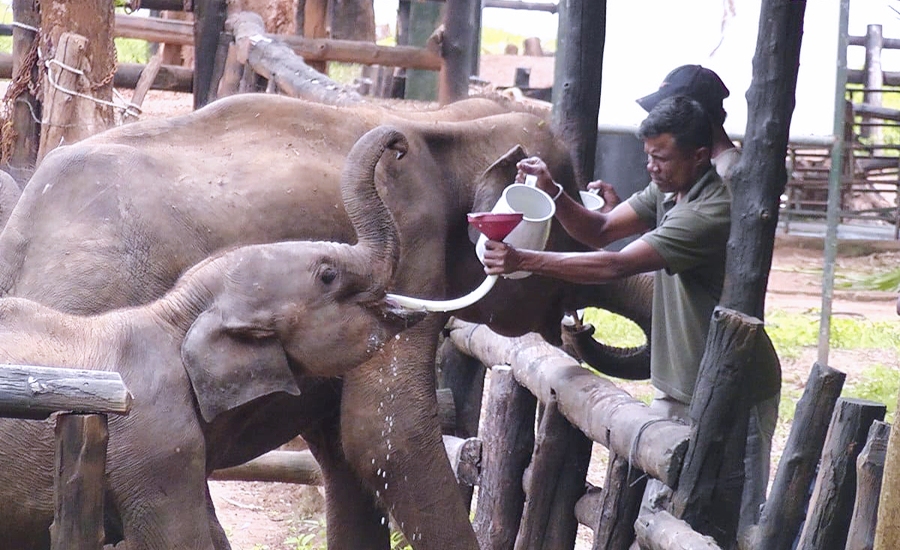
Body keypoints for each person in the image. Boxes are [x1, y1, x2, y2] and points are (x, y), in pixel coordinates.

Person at [482, 95, 781, 537]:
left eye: (661, 158)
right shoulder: (669, 192)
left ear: (699, 156)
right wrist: (554, 193)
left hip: (736, 391)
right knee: (659, 520)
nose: (651, 167)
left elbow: (615, 264)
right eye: (647, 156)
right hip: (680, 384)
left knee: (731, 523)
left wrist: (524, 259)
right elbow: (598, 230)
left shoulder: (710, 209)